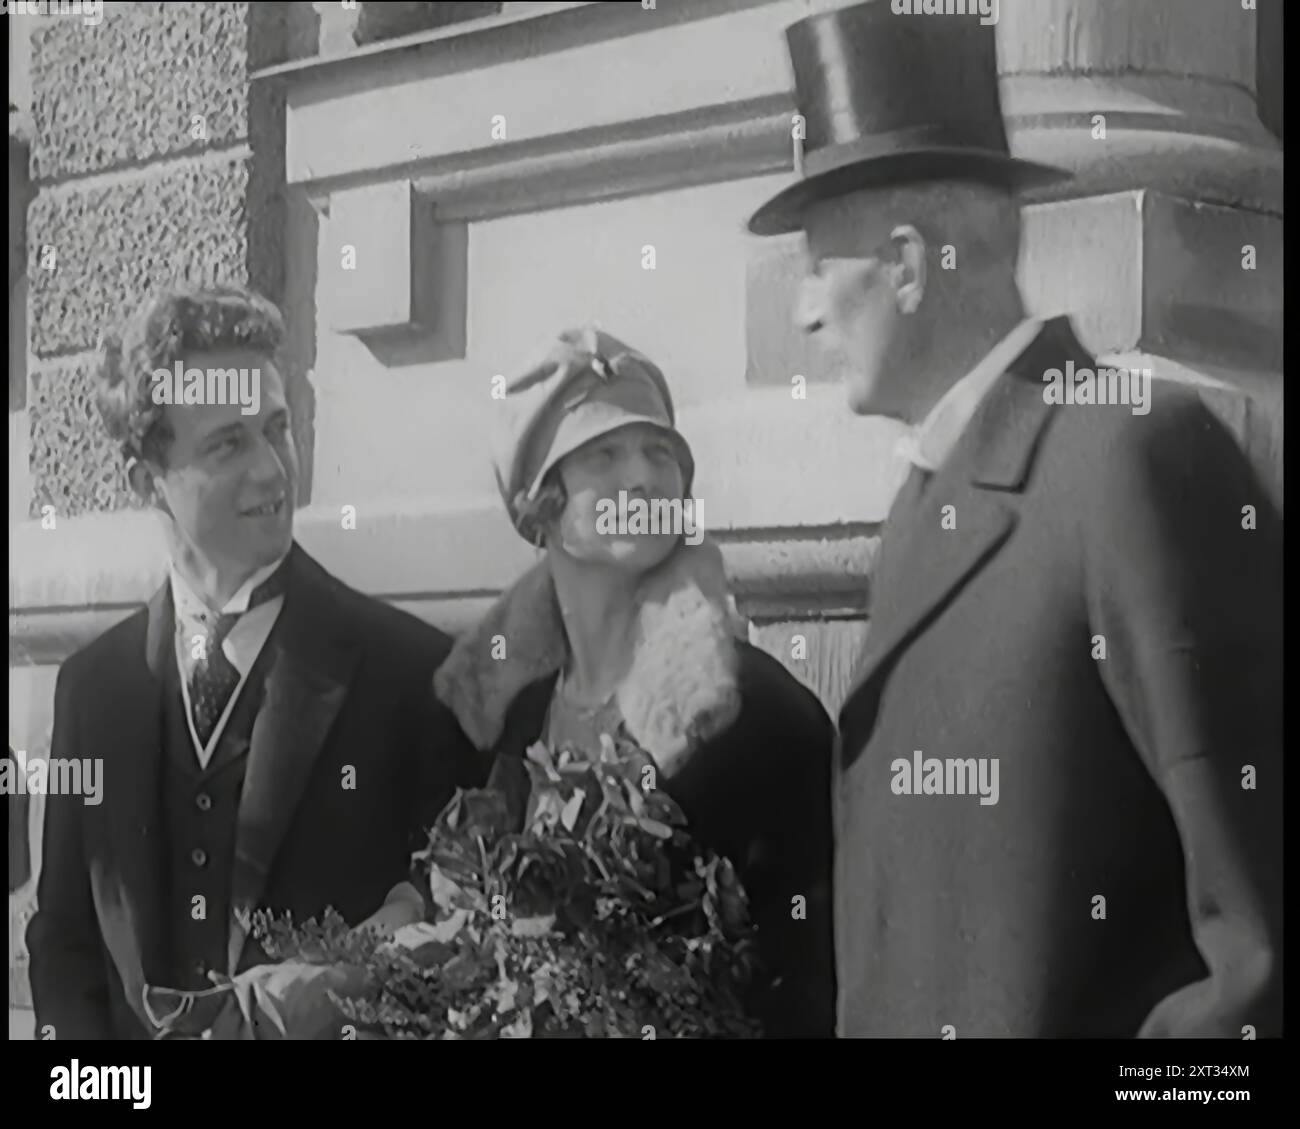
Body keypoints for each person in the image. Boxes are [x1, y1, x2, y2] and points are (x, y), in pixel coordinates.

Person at [747, 0, 1283, 1037]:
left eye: (819, 264)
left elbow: (1258, 953)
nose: (804, 311)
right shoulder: (924, 507)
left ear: (907, 266)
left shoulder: (1130, 456)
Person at [27, 284, 480, 1040]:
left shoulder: (415, 674)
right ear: (148, 482)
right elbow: (65, 938)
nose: (274, 469)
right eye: (229, 443)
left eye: (278, 427)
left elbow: (459, 931)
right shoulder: (93, 688)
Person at [431, 325, 836, 1037]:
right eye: (606, 452)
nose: (645, 477)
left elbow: (810, 978)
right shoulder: (504, 718)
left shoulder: (753, 716)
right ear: (538, 499)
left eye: (661, 451)